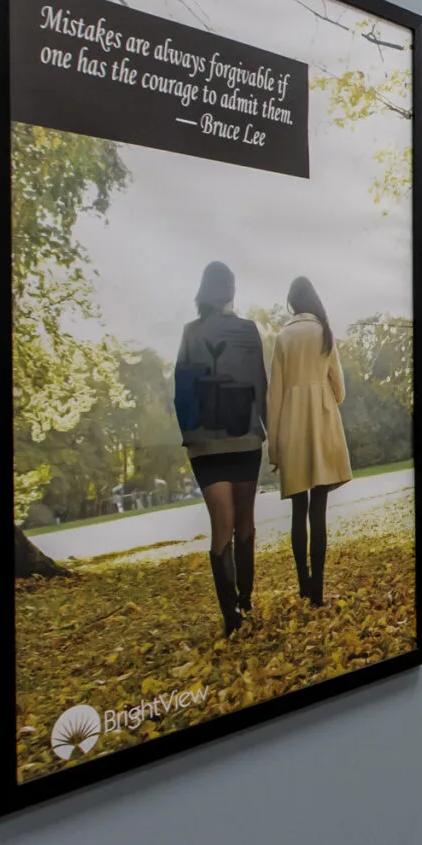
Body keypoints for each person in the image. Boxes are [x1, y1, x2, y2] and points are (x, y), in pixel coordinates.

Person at [174, 261, 268, 636]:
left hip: (204, 446)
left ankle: (231, 616)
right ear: (231, 291)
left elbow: (181, 391)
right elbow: (260, 385)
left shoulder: (190, 332)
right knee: (245, 523)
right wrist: (268, 432)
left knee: (221, 528)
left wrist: (191, 435)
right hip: (244, 437)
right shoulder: (248, 330)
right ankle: (245, 599)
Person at [264, 275, 352, 606]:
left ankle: (303, 584)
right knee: (319, 511)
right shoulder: (324, 332)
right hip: (322, 426)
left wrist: (274, 449)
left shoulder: (283, 338)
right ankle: (318, 591)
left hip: (292, 429)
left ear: (292, 304)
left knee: (298, 511)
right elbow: (340, 391)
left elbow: (274, 396)